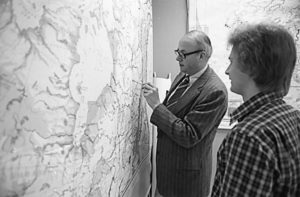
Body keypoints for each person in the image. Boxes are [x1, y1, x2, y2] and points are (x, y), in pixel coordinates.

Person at [211, 23, 300, 196]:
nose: (227, 71)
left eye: (232, 62)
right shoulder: (293, 116)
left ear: (251, 66)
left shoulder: (248, 136)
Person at [142, 30, 228, 197]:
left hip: (186, 182)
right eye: (177, 52)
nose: (177, 58)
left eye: (183, 54)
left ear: (202, 55)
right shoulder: (183, 75)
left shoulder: (215, 92)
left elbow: (189, 135)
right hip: (166, 174)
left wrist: (156, 105)